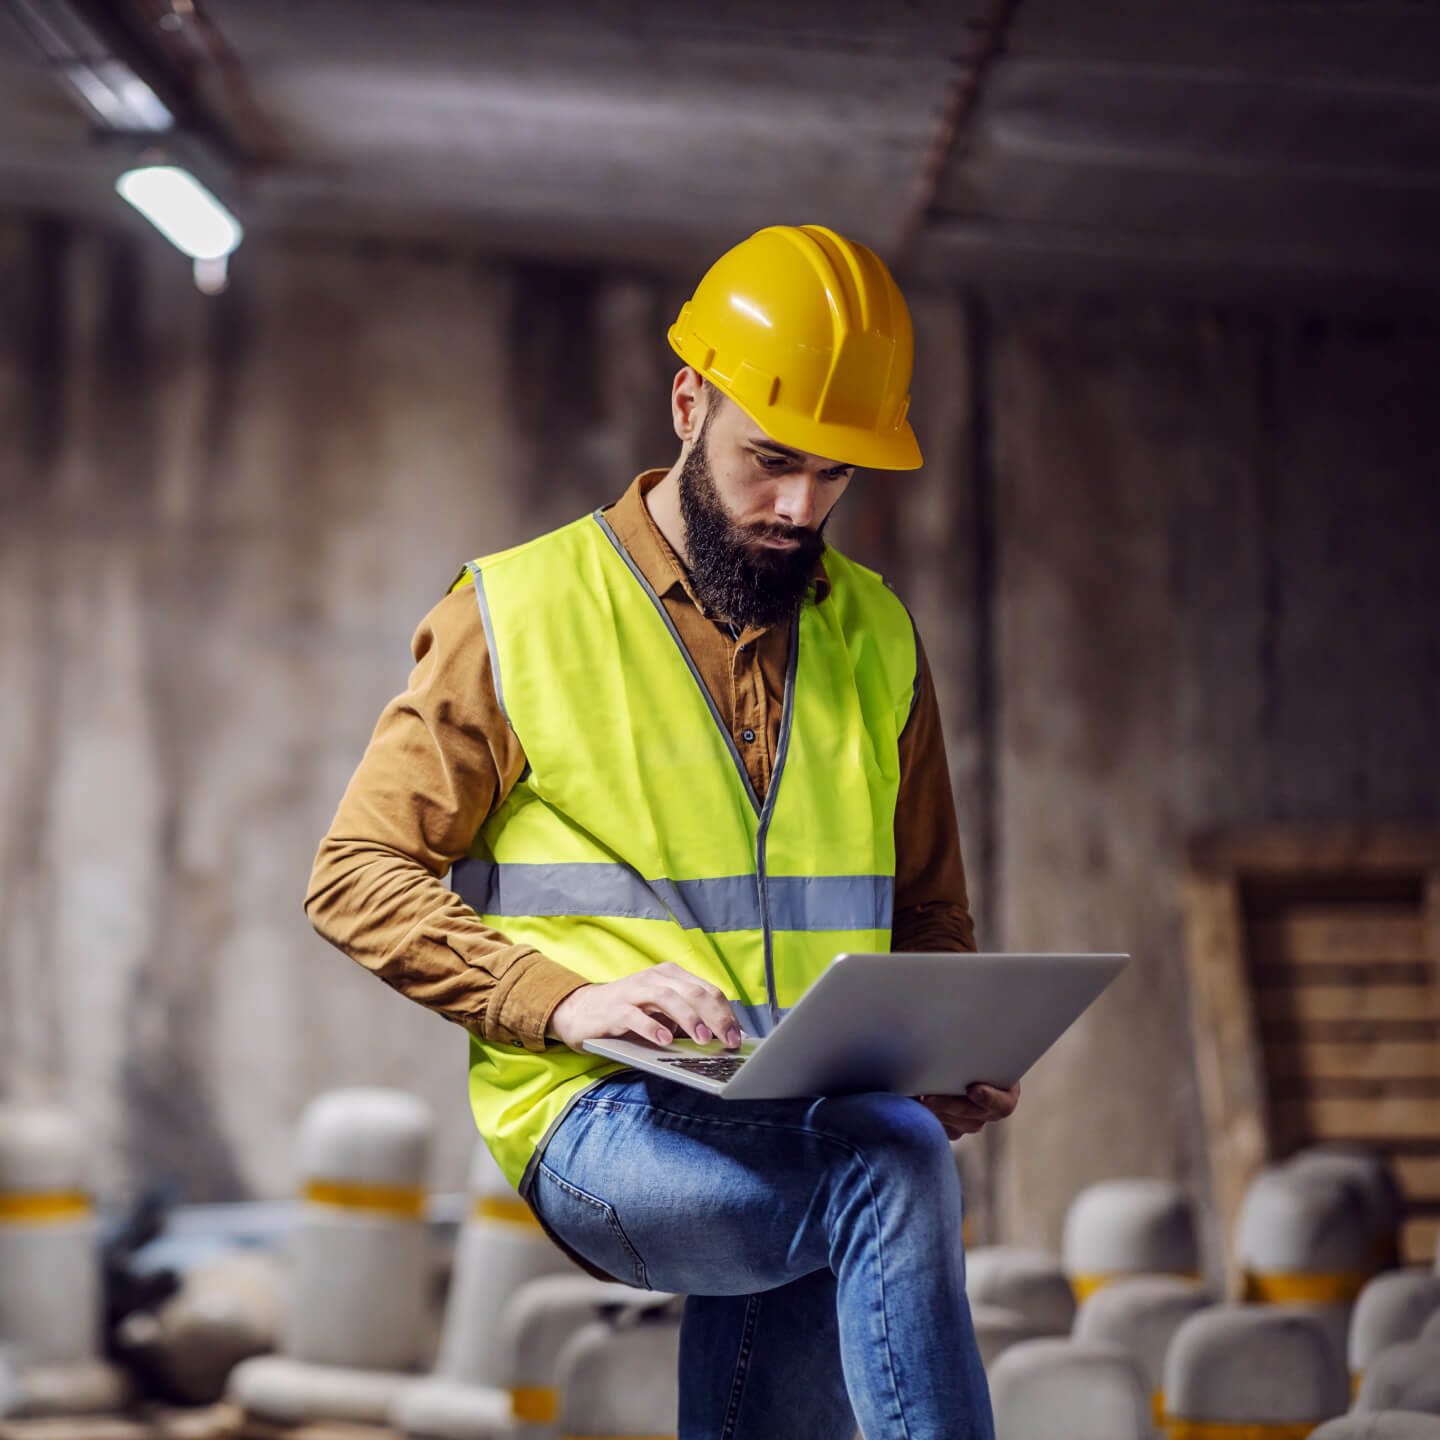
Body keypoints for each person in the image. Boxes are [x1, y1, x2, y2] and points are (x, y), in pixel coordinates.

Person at [306, 224, 1019, 1440]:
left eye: (836, 476)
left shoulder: (879, 637)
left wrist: (934, 1049)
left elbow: (930, 912)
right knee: (889, 1167)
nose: (800, 507)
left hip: (811, 1104)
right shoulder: (519, 612)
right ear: (689, 404)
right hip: (599, 1113)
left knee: (869, 1165)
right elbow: (355, 875)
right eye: (771, 460)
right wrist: (559, 997)